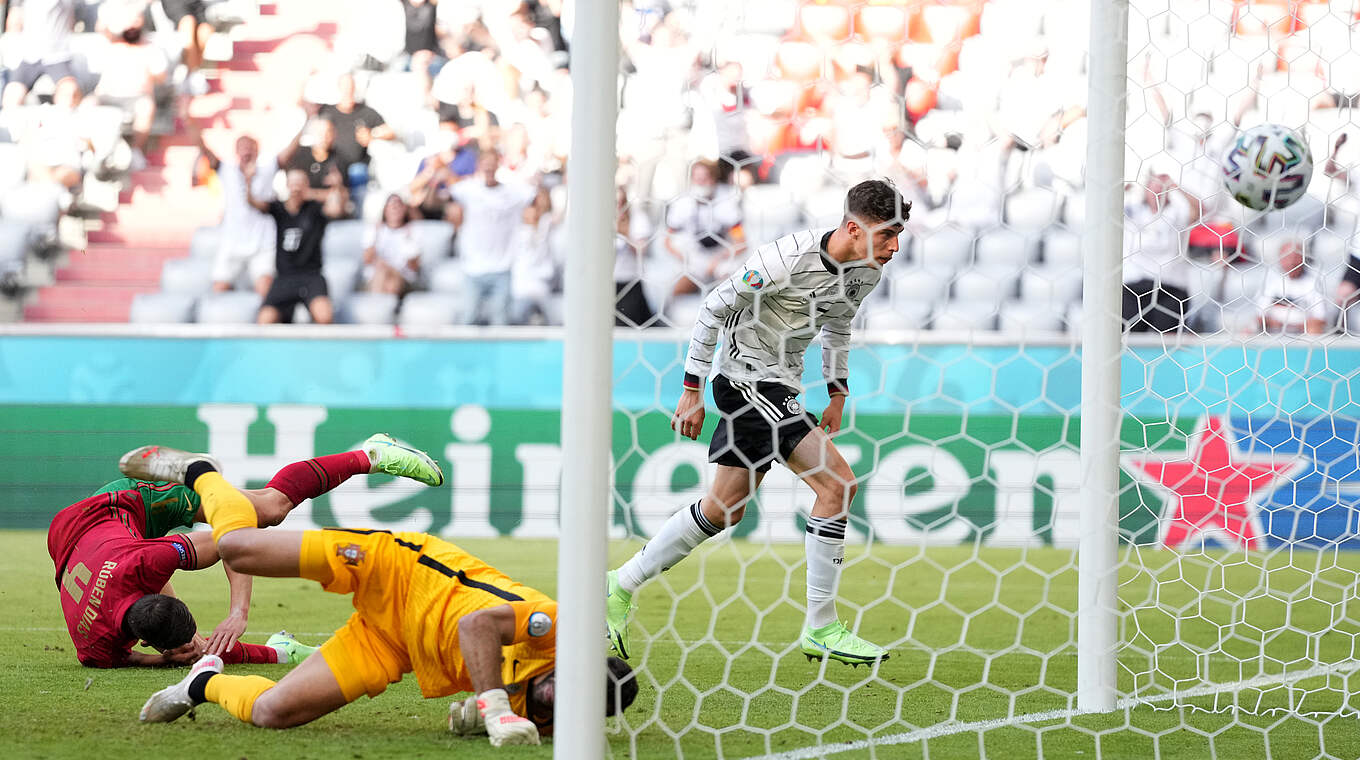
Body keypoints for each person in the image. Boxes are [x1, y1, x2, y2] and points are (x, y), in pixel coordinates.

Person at [130, 446, 636, 747]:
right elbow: (476, 627)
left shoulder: (550, 714)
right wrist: (495, 707)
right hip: (399, 570)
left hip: (395, 643)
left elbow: (466, 718)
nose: (555, 697)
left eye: (573, 705)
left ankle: (199, 686)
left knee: (274, 713)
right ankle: (201, 471)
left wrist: (478, 718)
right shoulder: (560, 628)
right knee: (238, 547)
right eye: (565, 686)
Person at [605, 179, 908, 666]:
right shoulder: (785, 259)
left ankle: (618, 585)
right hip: (747, 382)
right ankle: (822, 625)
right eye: (887, 235)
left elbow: (838, 326)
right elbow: (712, 307)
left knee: (723, 510)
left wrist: (837, 392)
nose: (895, 247)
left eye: (899, 236)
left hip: (780, 387)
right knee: (837, 487)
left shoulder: (866, 272)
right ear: (853, 227)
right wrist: (691, 390)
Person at [47, 433, 442, 668]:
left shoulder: (144, 566)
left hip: (127, 504)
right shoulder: (97, 646)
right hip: (78, 541)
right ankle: (282, 653)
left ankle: (371, 455)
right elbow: (128, 659)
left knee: (269, 508)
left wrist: (239, 612)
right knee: (196, 649)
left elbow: (231, 537)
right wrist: (166, 659)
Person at [449, 149, 543, 325]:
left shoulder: (513, 191)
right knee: (468, 317)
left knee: (501, 320)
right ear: (479, 166)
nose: (489, 168)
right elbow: (451, 189)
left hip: (502, 267)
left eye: (492, 163)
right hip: (473, 267)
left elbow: (535, 197)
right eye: (485, 163)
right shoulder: (469, 188)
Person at [246, 167, 347, 324]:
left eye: (300, 183)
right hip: (285, 277)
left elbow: (336, 209)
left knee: (324, 316)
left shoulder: (315, 209)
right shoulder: (279, 209)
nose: (296, 188)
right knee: (265, 320)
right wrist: (248, 180)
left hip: (311, 276)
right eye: (293, 183)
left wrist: (337, 186)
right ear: (287, 185)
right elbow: (253, 203)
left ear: (307, 185)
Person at [196, 129, 279, 296]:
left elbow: (258, 205)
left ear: (257, 150)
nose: (247, 151)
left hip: (262, 244)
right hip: (232, 243)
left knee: (266, 290)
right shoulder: (226, 169)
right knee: (218, 290)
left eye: (250, 147)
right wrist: (187, 120)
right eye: (243, 147)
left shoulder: (268, 168)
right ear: (236, 151)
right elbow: (203, 148)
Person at [1123, 171, 1201, 333]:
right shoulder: (1132, 212)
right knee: (1127, 341)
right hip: (1134, 289)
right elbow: (1104, 211)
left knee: (1166, 343)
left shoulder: (1177, 213)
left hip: (1169, 289)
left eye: (1161, 187)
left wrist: (1177, 187)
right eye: (1153, 186)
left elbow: (1200, 210)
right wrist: (1120, 190)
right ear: (1145, 189)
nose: (1156, 192)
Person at [664, 159, 746, 299]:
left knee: (731, 288)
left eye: (705, 178)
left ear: (713, 178)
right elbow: (667, 241)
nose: (701, 182)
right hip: (695, 257)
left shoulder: (726, 202)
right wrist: (685, 259)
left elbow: (741, 241)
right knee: (677, 291)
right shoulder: (682, 204)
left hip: (722, 257)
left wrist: (718, 259)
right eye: (697, 178)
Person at [319, 73, 396, 214]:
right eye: (345, 87)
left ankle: (358, 213)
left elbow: (390, 131)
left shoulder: (365, 112)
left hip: (357, 165)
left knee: (358, 173)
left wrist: (372, 134)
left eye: (351, 87)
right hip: (332, 164)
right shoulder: (327, 111)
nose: (348, 92)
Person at [1257, 240, 1330, 335]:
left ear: (1304, 259)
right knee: (1249, 329)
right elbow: (1259, 315)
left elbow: (1320, 319)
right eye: (1287, 257)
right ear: (1280, 258)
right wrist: (1275, 324)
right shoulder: (1271, 281)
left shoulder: (1314, 283)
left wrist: (1291, 326)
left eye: (1296, 257)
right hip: (1273, 330)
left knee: (1314, 329)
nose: (1292, 262)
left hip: (1303, 332)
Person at [362, 193, 422, 295]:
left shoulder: (413, 231)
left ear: (404, 209)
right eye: (391, 205)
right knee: (388, 282)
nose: (394, 208)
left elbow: (414, 267)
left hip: (401, 276)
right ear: (385, 209)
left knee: (391, 282)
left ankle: (376, 307)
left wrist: (409, 240)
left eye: (398, 205)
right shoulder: (374, 230)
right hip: (378, 276)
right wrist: (376, 236)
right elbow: (367, 259)